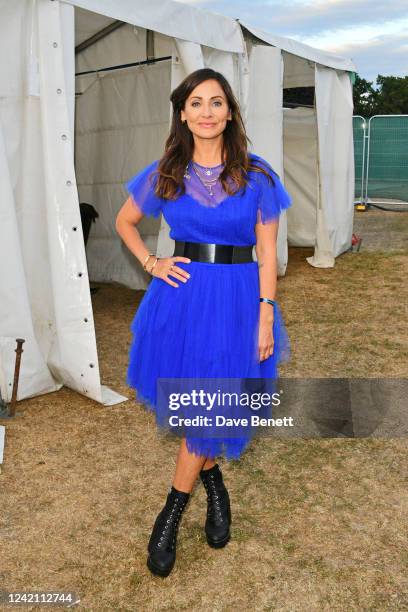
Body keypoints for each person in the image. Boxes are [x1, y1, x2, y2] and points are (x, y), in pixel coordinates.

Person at [115, 68, 292, 578]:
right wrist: (151, 262)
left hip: (238, 300)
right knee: (201, 406)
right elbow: (126, 220)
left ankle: (170, 512)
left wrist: (266, 313)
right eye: (196, 103)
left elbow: (266, 254)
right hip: (183, 300)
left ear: (230, 112)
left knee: (209, 402)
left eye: (216, 102)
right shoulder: (166, 171)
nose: (207, 112)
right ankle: (212, 487)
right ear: (183, 113)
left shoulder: (258, 177)